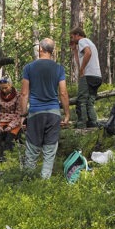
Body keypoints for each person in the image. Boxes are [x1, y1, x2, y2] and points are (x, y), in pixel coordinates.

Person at [19, 37, 71, 179]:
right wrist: (66, 114)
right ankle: (44, 183)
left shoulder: (29, 68)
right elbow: (63, 93)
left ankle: (28, 182)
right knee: (49, 151)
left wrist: (23, 115)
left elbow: (24, 93)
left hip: (35, 112)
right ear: (52, 51)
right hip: (54, 113)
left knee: (32, 149)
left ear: (40, 49)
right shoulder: (59, 69)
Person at [70, 27, 102, 128]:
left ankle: (81, 123)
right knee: (90, 101)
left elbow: (88, 53)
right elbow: (80, 60)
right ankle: (93, 122)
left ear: (77, 35)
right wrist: (75, 50)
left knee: (82, 100)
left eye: (72, 37)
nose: (72, 40)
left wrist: (82, 69)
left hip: (88, 75)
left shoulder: (82, 41)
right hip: (97, 76)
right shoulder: (89, 42)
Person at [0, 75, 25, 159]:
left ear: (10, 85)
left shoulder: (18, 95)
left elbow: (19, 113)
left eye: (6, 88)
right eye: (2, 88)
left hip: (14, 122)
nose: (4, 90)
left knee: (9, 141)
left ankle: (8, 161)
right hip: (0, 121)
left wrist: (10, 126)